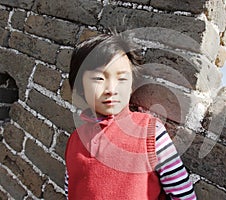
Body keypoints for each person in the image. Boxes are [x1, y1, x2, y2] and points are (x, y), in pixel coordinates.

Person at [65, 33, 197, 200]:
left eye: (121, 79)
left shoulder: (149, 132)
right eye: (98, 78)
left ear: (132, 86)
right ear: (80, 86)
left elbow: (183, 194)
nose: (111, 89)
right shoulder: (74, 140)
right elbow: (70, 188)